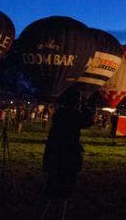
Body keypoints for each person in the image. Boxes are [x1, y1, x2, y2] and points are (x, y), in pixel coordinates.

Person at [41, 89, 94, 220]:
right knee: (64, 192)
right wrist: (85, 106)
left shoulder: (59, 114)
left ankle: (41, 215)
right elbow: (88, 122)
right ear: (77, 101)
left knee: (51, 189)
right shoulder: (75, 115)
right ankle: (60, 216)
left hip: (55, 155)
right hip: (69, 158)